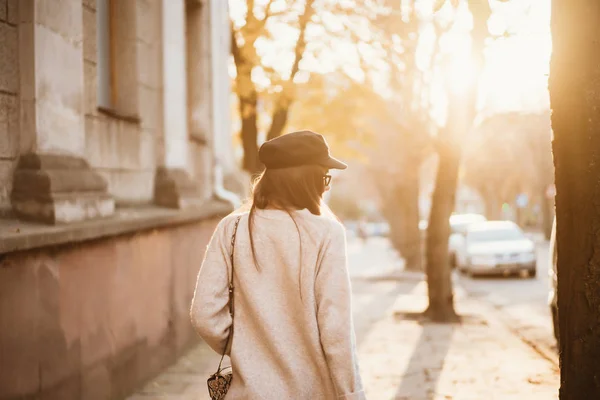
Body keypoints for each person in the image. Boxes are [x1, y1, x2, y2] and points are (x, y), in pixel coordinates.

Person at [190, 130, 365, 399]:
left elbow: (204, 314)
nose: (326, 186)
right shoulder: (326, 233)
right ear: (307, 179)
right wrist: (352, 395)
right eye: (324, 177)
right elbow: (336, 330)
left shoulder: (232, 228)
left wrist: (243, 347)